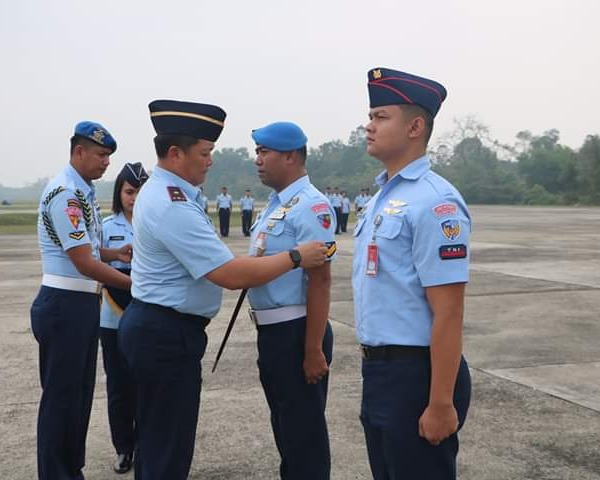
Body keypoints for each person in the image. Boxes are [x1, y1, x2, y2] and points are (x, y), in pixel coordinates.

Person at [118, 100, 328, 480]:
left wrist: (313, 346)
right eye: (205, 152)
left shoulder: (171, 194)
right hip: (165, 335)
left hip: (168, 330)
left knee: (160, 441)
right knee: (167, 447)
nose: (211, 160)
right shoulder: (171, 203)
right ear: (175, 153)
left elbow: (322, 280)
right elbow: (230, 274)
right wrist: (297, 257)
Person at [352, 68, 472, 480]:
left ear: (415, 127)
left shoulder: (435, 203)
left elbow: (449, 311)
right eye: (370, 116)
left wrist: (440, 403)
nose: (369, 125)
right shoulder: (384, 197)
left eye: (380, 116)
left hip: (417, 375)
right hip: (380, 371)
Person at [30, 121, 132, 479]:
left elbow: (88, 249)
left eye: (108, 157)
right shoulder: (66, 194)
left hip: (81, 305)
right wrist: (134, 284)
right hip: (64, 305)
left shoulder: (83, 191)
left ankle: (70, 469)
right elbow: (83, 262)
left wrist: (115, 253)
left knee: (78, 398)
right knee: (61, 401)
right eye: (101, 155)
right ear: (79, 152)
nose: (106, 163)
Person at [249, 122, 337, 480]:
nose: (257, 160)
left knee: (304, 436)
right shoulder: (275, 205)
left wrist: (313, 348)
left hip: (297, 333)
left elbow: (320, 280)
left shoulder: (312, 206)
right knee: (286, 430)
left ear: (290, 156)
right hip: (273, 334)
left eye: (263, 152)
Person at [100, 162, 149, 474]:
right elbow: (92, 257)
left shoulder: (156, 223)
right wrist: (116, 255)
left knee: (146, 383)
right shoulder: (106, 227)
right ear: (119, 193)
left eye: (140, 192)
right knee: (119, 386)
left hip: (147, 312)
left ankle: (147, 443)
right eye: (129, 192)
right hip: (113, 314)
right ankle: (123, 448)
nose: (134, 198)